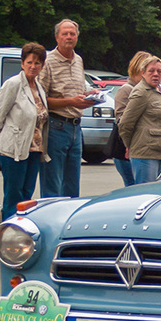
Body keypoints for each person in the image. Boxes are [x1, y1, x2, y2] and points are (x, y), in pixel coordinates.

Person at [38, 18, 98, 198]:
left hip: (76, 127)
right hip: (56, 126)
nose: (69, 37)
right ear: (57, 37)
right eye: (65, 34)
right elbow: (40, 99)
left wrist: (90, 93)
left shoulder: (78, 60)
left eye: (72, 34)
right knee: (52, 183)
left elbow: (76, 90)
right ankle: (50, 221)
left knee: (72, 184)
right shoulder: (47, 61)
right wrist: (71, 101)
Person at [0, 42, 49, 220]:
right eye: (29, 62)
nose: (33, 66)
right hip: (13, 149)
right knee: (13, 196)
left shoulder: (39, 88)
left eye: (37, 63)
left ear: (42, 66)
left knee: (26, 197)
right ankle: (8, 233)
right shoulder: (13, 84)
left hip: (34, 149)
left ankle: (21, 234)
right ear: (22, 63)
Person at [117, 55, 161, 184]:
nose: (156, 74)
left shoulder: (157, 91)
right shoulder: (141, 92)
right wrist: (130, 145)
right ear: (143, 73)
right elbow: (125, 123)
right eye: (151, 71)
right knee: (146, 194)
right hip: (145, 154)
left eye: (159, 71)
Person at [110, 51, 152, 187]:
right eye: (148, 69)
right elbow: (122, 121)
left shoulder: (151, 90)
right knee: (133, 187)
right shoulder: (126, 90)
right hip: (126, 150)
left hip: (145, 148)